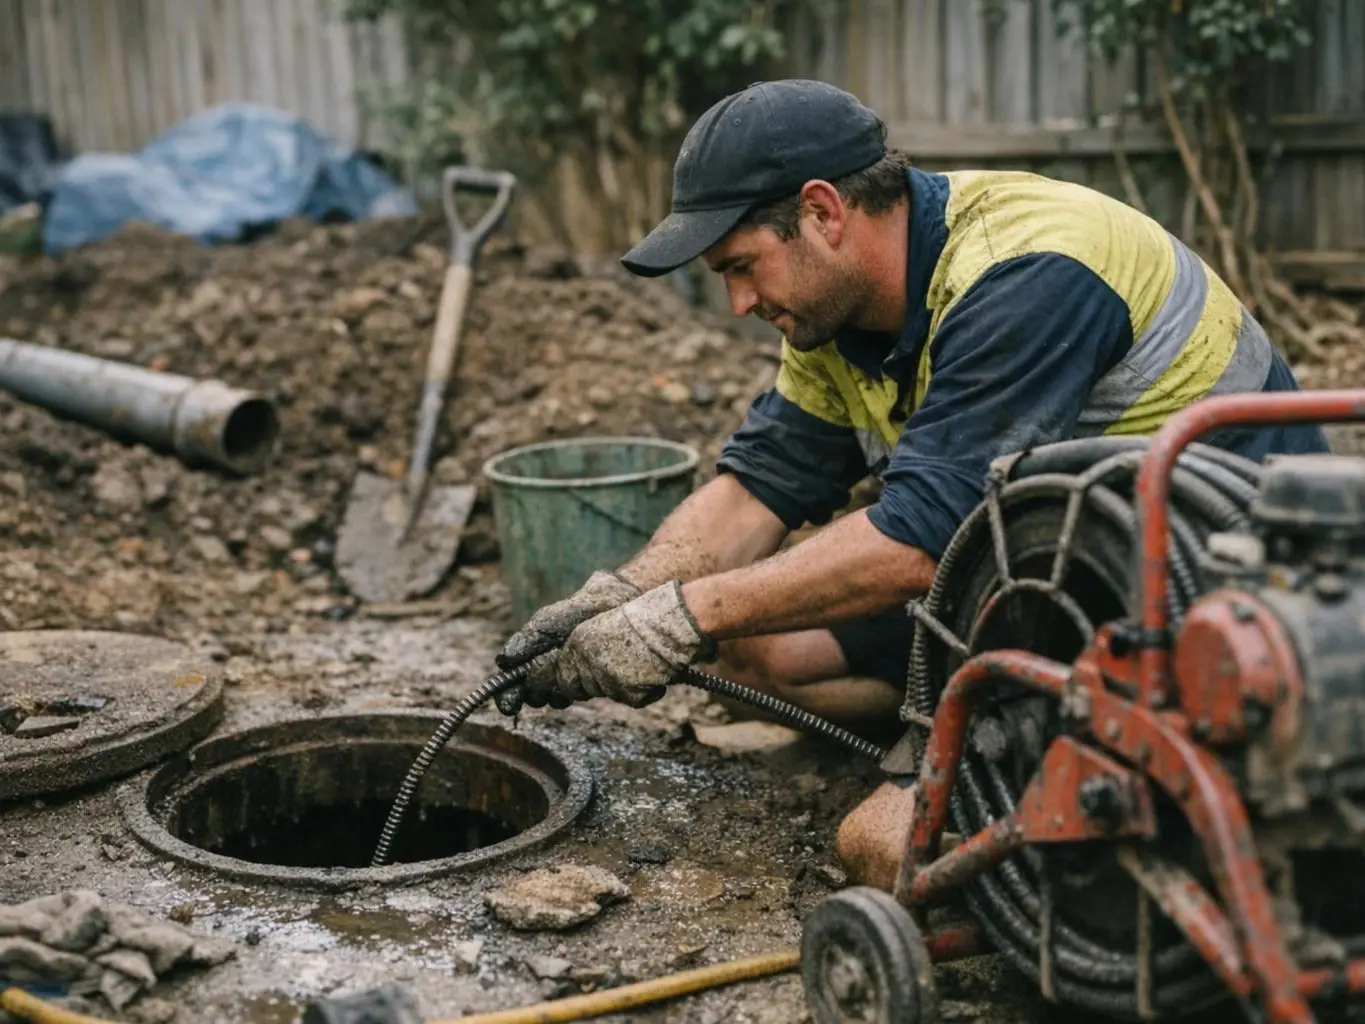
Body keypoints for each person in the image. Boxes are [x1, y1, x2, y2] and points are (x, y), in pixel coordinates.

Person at [494, 79, 1329, 736]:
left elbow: (925, 543)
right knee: (741, 649)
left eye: (740, 266)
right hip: (1058, 566)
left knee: (876, 850)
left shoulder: (1028, 271)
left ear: (821, 212)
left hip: (1231, 585)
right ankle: (972, 734)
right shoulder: (836, 311)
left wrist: (679, 616)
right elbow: (760, 486)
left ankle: (993, 758)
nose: (739, 303)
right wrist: (623, 594)